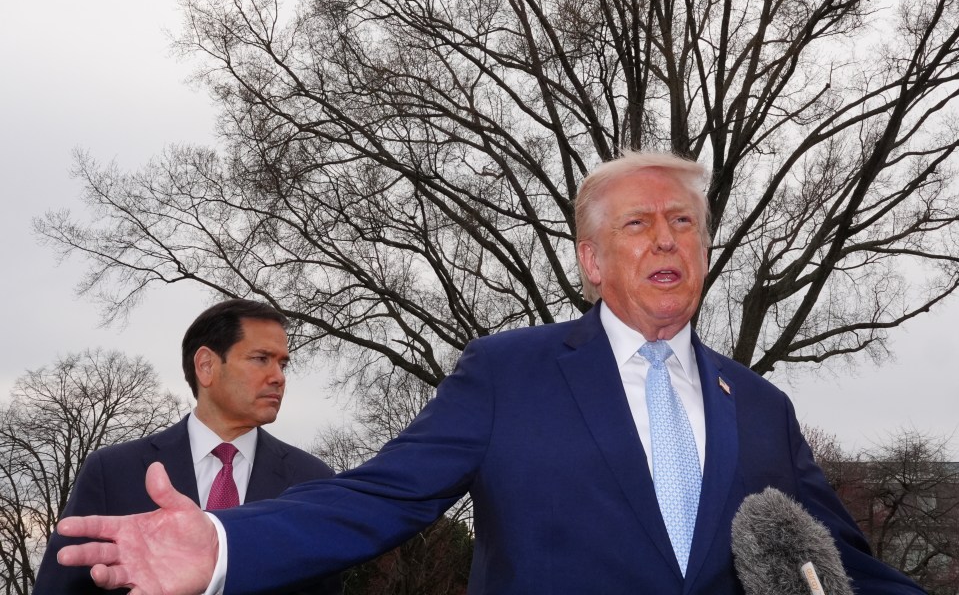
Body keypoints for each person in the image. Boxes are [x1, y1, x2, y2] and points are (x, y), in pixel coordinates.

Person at [56, 152, 925, 594]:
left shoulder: (761, 406)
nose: (665, 239)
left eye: (682, 222)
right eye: (636, 225)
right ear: (590, 258)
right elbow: (379, 496)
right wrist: (223, 544)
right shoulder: (511, 373)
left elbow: (847, 564)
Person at [36, 299, 341, 595]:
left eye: (283, 363)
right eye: (261, 359)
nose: (278, 377)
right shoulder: (112, 472)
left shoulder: (313, 481)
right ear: (206, 365)